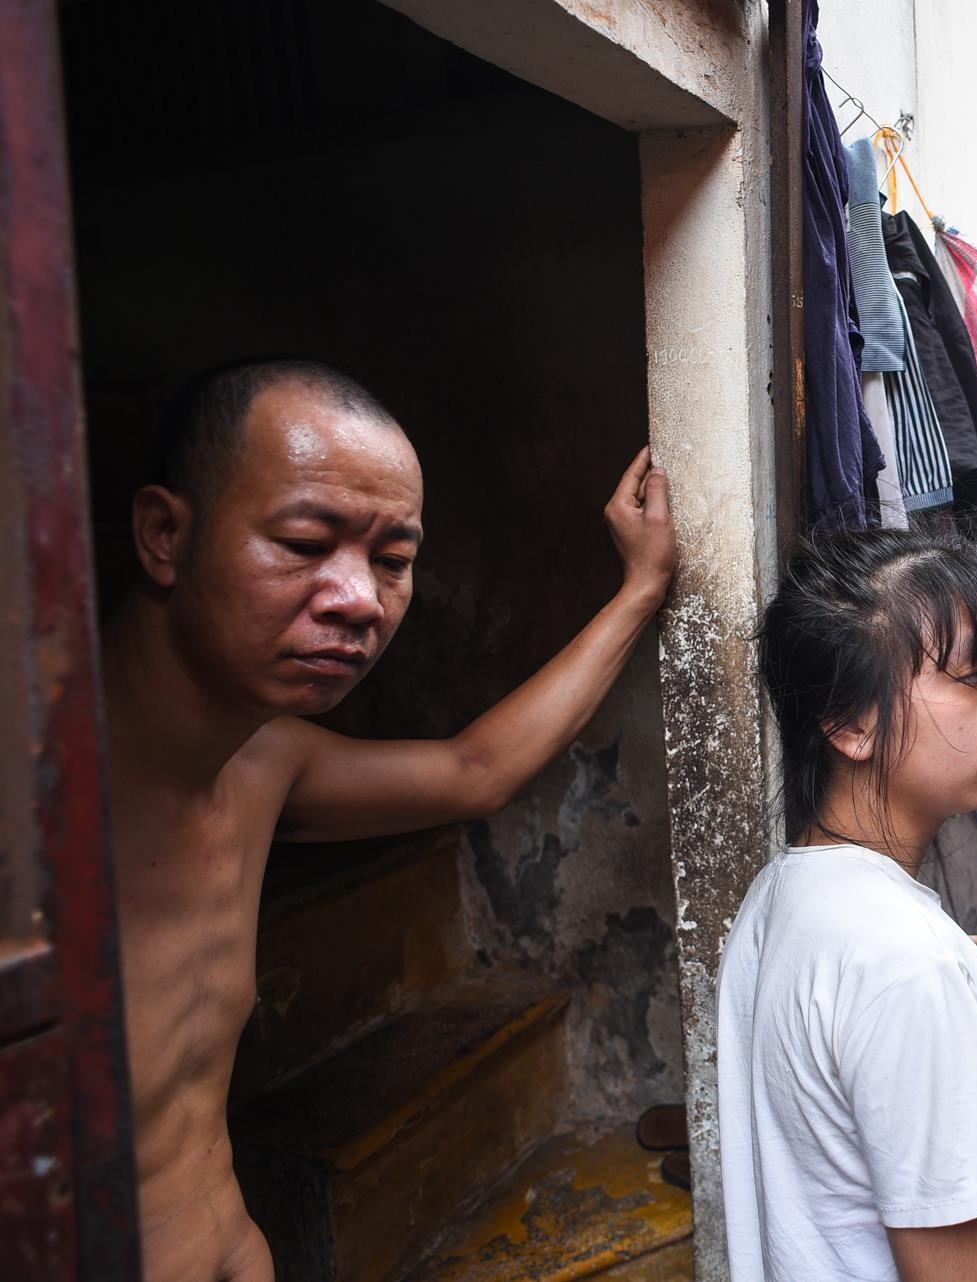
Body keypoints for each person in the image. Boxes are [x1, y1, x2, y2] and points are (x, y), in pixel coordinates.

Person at [103, 359, 676, 1282]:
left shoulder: (263, 764)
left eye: (393, 560)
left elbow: (472, 771)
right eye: (301, 542)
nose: (360, 599)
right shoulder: (37, 805)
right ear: (165, 534)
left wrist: (640, 591)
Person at [716, 529, 977, 1282]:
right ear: (851, 722)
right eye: (972, 676)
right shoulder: (900, 965)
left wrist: (957, 994)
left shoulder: (787, 892)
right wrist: (933, 994)